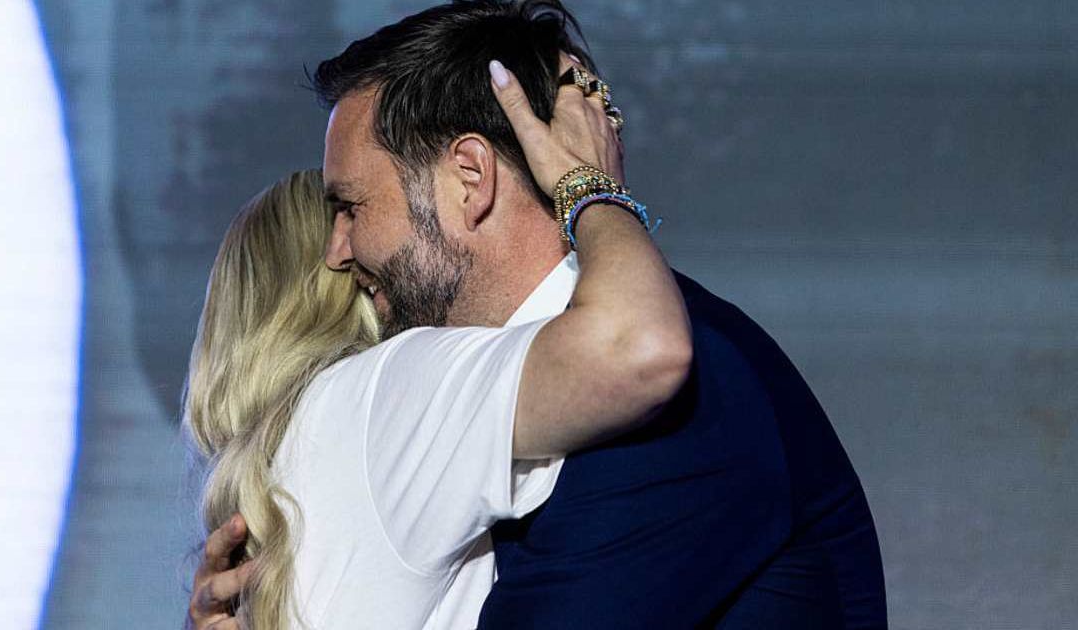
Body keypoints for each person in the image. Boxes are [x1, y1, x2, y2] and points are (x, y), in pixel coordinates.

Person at [193, 0, 887, 628]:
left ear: (470, 179)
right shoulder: (514, 399)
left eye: (352, 208)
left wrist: (590, 190)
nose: (338, 251)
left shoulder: (683, 397)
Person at [184, 54, 691, 629]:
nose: (342, 249)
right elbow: (637, 347)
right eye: (341, 214)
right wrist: (589, 185)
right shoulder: (382, 393)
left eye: (353, 211)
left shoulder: (288, 466)